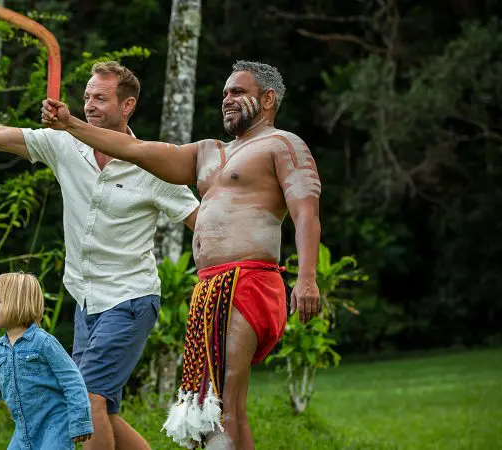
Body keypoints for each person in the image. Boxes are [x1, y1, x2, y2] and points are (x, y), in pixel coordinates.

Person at [0, 61, 200, 449]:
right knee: (102, 408)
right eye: (86, 97)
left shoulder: (151, 164)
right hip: (85, 301)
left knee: (89, 398)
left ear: (127, 105)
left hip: (130, 299)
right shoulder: (66, 145)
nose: (90, 105)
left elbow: (205, 224)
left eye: (100, 98)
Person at [40, 60, 322, 449]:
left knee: (225, 404)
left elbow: (305, 212)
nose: (227, 99)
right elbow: (135, 149)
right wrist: (71, 124)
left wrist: (307, 277)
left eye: (238, 92)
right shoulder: (208, 153)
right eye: (225, 92)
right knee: (209, 405)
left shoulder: (282, 145)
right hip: (210, 288)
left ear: (269, 98)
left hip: (249, 281)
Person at [0, 272, 93, 449]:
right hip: (23, 431)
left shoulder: (44, 343)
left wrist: (79, 421)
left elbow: (72, 380)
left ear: (19, 303)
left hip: (55, 426)